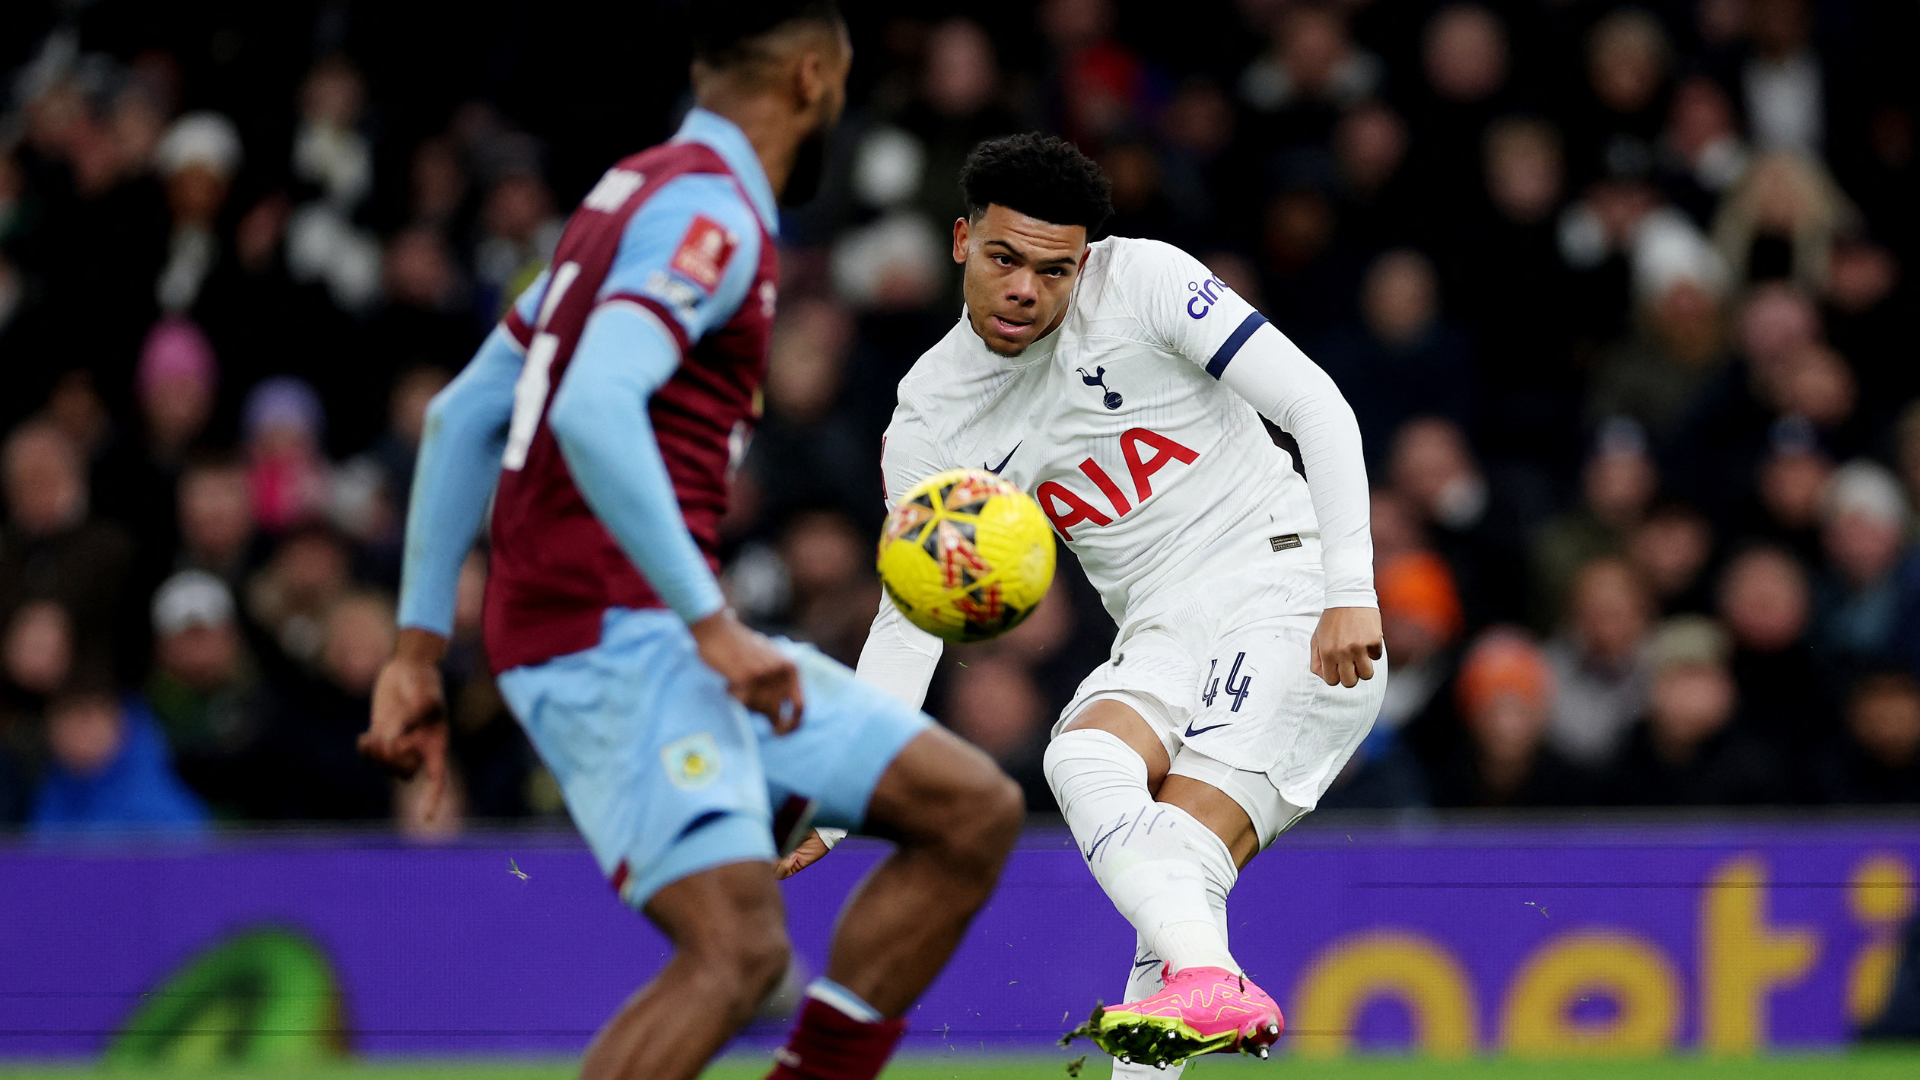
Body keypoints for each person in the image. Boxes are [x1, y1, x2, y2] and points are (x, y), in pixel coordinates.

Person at [355, 7, 1023, 1080]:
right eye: (842, 84)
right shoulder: (710, 219)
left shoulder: (628, 199)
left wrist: (418, 653)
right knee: (739, 952)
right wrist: (713, 628)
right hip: (607, 637)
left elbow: (461, 416)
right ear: (812, 79)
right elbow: (591, 405)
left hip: (630, 628)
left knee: (970, 814)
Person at [848, 133, 1386, 1071]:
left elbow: (1318, 407)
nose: (1025, 289)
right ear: (960, 239)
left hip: (1289, 587)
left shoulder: (1145, 283)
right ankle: (1211, 979)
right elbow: (911, 619)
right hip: (1165, 625)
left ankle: (1211, 976)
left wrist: (1351, 587)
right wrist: (841, 786)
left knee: (1170, 851)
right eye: (1004, 259)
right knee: (1090, 768)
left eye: (1053, 271)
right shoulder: (932, 415)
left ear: (1084, 263)